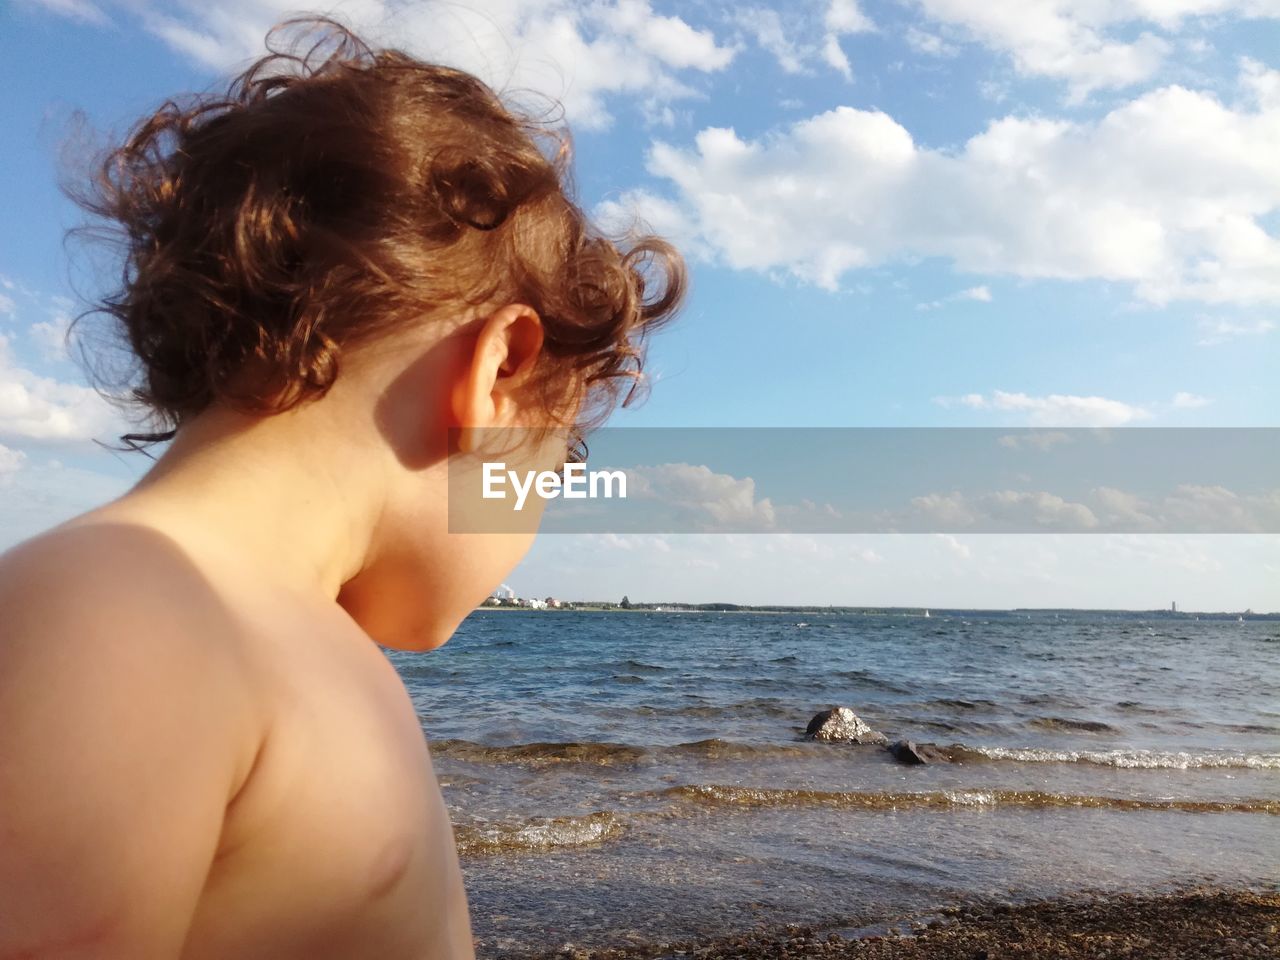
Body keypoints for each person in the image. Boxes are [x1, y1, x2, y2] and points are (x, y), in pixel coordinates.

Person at [0, 15, 683, 958]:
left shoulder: (272, 639)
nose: (544, 505)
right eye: (561, 462)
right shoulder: (131, 613)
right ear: (499, 375)